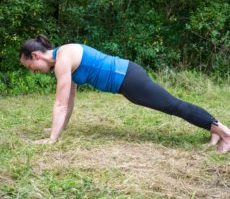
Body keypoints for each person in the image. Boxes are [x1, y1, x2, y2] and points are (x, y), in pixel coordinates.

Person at [19, 34, 230, 153]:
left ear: (36, 55)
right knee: (173, 105)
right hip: (127, 82)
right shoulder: (64, 58)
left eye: (30, 66)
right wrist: (60, 127)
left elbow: (60, 104)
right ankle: (213, 128)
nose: (33, 70)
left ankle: (225, 133)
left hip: (129, 78)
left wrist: (52, 139)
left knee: (173, 105)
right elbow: (69, 100)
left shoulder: (63, 58)